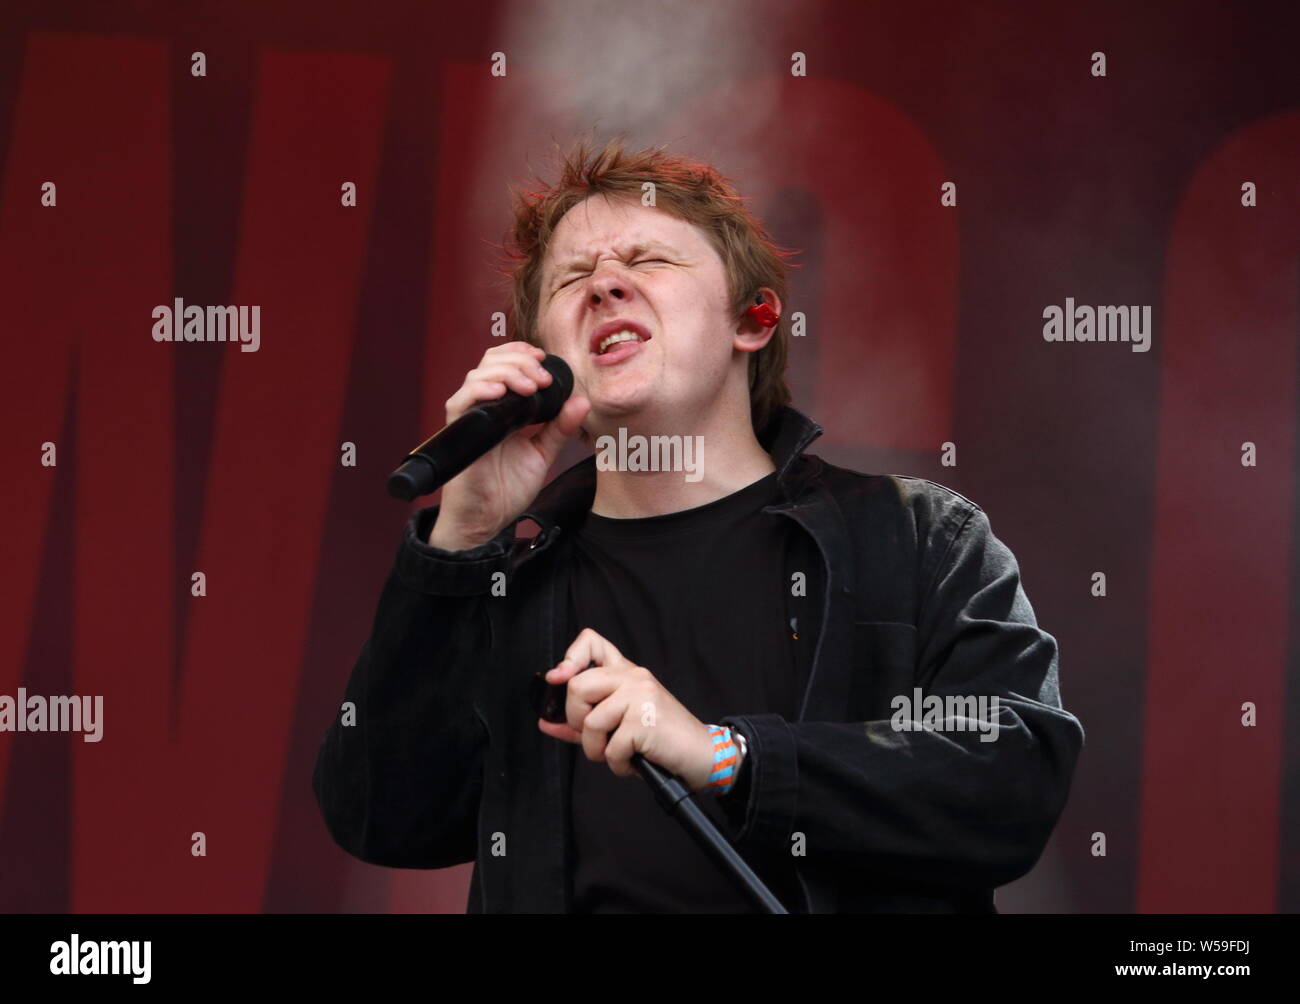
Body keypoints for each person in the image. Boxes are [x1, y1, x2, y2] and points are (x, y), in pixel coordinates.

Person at [312, 137, 1085, 913]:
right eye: (573, 277)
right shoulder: (507, 586)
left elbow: (1008, 780)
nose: (605, 284)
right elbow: (385, 819)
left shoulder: (917, 539)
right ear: (543, 360)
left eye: (648, 260)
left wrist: (728, 755)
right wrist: (461, 537)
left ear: (753, 319)